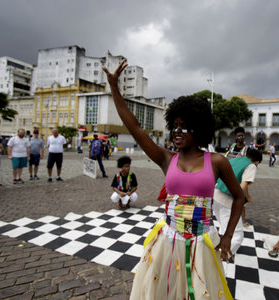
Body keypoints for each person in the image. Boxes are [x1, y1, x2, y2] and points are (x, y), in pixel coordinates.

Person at [103, 60, 244, 300]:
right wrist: (115, 88)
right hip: (168, 240)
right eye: (174, 126)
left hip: (203, 243)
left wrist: (228, 236)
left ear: (198, 129)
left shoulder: (218, 161)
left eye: (184, 127)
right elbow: (135, 127)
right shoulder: (165, 158)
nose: (177, 132)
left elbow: (239, 197)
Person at [213, 148, 262, 255]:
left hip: (216, 195)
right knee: (237, 235)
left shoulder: (234, 159)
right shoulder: (251, 166)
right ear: (257, 162)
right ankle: (222, 256)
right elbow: (243, 186)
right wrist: (248, 197)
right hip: (228, 200)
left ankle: (219, 245)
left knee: (223, 225)